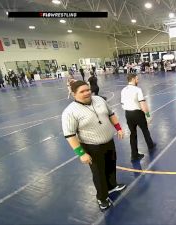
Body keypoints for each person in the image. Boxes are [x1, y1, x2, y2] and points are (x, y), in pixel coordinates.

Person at [61, 80, 126, 211]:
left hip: (109, 141)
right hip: (92, 147)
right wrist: (81, 153)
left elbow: (111, 114)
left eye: (87, 90)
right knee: (98, 173)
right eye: (82, 91)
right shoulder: (70, 112)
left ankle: (112, 186)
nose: (86, 93)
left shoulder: (99, 100)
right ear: (74, 94)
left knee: (111, 165)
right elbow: (70, 135)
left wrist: (118, 128)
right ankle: (102, 198)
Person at [121, 73, 156, 162]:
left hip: (128, 114)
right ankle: (150, 145)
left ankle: (134, 155)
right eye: (137, 79)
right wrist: (148, 116)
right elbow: (143, 104)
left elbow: (122, 104)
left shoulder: (123, 90)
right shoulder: (137, 90)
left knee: (133, 134)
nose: (138, 80)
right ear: (132, 79)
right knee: (145, 129)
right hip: (137, 113)